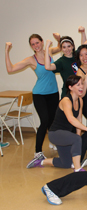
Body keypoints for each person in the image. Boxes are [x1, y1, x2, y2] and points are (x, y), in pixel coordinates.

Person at [5, 33, 60, 162]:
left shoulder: (50, 52)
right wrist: (7, 51)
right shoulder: (31, 60)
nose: (36, 45)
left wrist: (58, 39)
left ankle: (53, 142)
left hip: (53, 93)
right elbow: (10, 69)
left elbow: (60, 47)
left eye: (37, 42)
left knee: (53, 121)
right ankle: (38, 152)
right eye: (33, 44)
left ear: (42, 42)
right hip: (39, 94)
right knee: (45, 121)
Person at [26, 75, 87, 171]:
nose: (82, 87)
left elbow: (78, 119)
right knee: (76, 139)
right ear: (70, 87)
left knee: (65, 163)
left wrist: (78, 134)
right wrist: (86, 129)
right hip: (55, 134)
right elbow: (71, 119)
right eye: (78, 85)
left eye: (82, 84)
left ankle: (41, 161)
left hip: (65, 135)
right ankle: (78, 168)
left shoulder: (80, 100)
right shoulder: (66, 101)